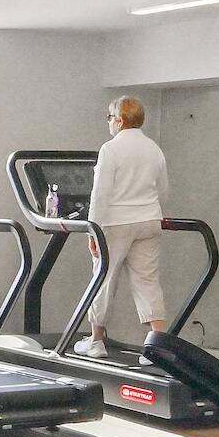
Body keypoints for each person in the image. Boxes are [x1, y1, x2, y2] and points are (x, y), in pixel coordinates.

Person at [76, 96, 170, 358]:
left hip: (116, 223)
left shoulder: (111, 149)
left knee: (104, 279)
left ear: (119, 121)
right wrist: (154, 213)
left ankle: (96, 341)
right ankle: (158, 347)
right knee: (148, 282)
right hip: (149, 221)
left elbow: (100, 194)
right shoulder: (154, 149)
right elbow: (163, 190)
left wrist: (93, 230)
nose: (109, 122)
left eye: (110, 117)